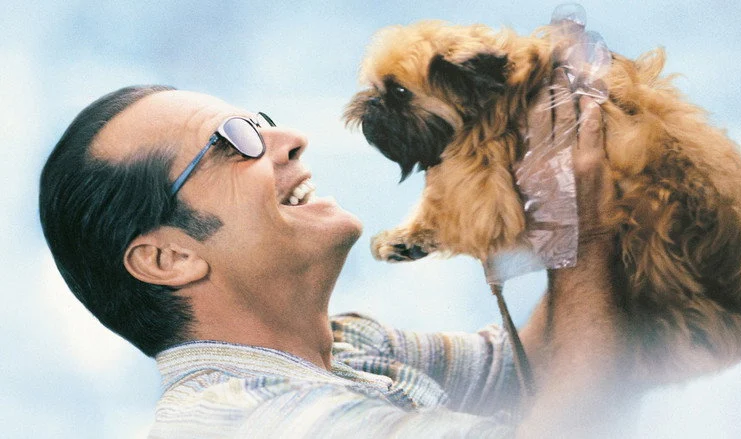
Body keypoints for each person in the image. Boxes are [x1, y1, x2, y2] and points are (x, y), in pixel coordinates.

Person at [39, 69, 624, 438]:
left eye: (259, 122)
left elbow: (544, 365)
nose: (292, 138)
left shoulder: (346, 347)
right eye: (232, 141)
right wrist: (584, 233)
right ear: (168, 258)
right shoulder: (239, 420)